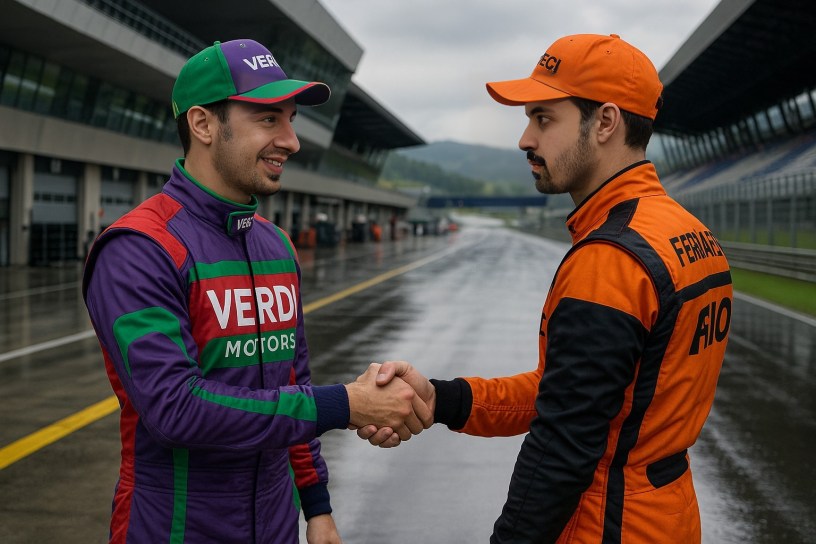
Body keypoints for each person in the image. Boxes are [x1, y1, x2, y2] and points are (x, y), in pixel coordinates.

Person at [360, 33, 732, 543]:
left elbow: (563, 445)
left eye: (543, 118)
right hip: (668, 515)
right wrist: (442, 399)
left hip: (606, 523)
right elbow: (573, 394)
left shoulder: (610, 260)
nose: (525, 139)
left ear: (605, 122)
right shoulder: (688, 233)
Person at [82, 39, 430, 544]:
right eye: (269, 119)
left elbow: (293, 382)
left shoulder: (277, 246)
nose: (291, 141)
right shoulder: (139, 248)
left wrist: (316, 506)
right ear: (203, 125)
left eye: (291, 120)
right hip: (175, 528)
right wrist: (346, 404)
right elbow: (176, 409)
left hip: (275, 523)